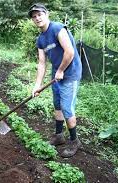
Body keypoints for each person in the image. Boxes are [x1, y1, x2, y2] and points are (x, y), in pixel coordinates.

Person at [29, 3, 82, 158]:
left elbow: (70, 52)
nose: (37, 18)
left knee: (67, 107)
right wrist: (37, 86)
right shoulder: (40, 39)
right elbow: (41, 63)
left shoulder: (57, 28)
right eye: (34, 16)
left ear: (47, 14)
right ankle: (59, 136)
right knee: (57, 105)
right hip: (57, 73)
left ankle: (75, 141)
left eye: (39, 14)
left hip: (70, 73)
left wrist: (60, 70)